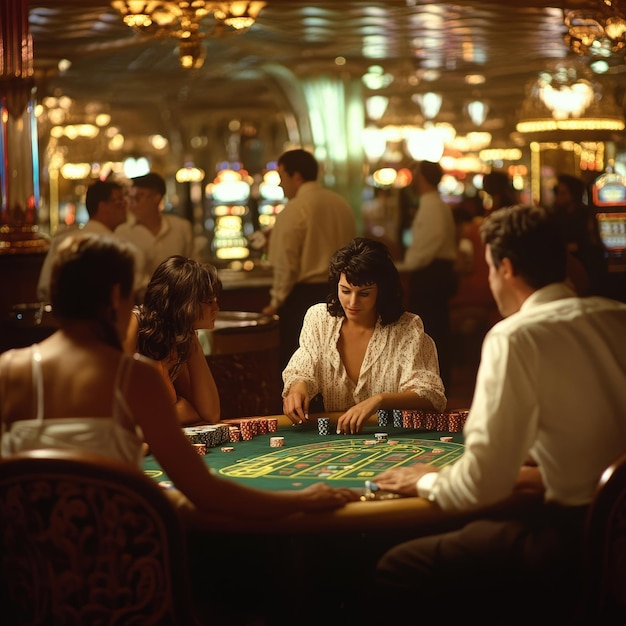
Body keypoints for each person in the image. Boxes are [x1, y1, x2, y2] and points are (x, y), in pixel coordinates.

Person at [370, 204, 626, 625]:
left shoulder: (515, 336)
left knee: (398, 567)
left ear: (505, 268)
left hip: (575, 543)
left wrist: (427, 479)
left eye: (489, 268)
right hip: (619, 537)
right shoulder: (616, 316)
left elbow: (481, 485)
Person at [282, 237, 447, 435]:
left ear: (382, 292)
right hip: (336, 444)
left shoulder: (407, 329)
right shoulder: (319, 319)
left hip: (393, 442)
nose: (352, 302)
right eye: (345, 291)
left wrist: (379, 400)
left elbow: (430, 394)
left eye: (364, 294)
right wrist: (297, 388)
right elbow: (303, 367)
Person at [261, 149, 356, 371]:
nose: (280, 185)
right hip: (342, 294)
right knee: (338, 363)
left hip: (304, 299)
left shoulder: (294, 209)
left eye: (281, 177)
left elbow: (287, 264)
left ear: (297, 176)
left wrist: (275, 302)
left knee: (303, 365)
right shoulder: (341, 204)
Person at [123, 255, 221, 426]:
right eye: (208, 302)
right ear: (184, 303)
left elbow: (209, 413)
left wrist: (192, 338)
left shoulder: (178, 339)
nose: (216, 308)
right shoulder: (133, 323)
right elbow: (111, 400)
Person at [37, 179, 146, 303]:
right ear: (102, 206)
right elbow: (136, 290)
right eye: (119, 201)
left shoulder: (63, 241)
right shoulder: (120, 248)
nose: (124, 206)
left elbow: (45, 289)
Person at [402, 160, 458, 393]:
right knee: (435, 331)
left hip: (431, 277)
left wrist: (403, 266)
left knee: (430, 332)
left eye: (415, 175)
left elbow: (424, 251)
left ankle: (433, 385)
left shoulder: (432, 206)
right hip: (435, 275)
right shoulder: (435, 205)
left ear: (422, 178)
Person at [115, 171, 195, 299]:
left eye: (139, 197)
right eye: (131, 197)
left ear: (156, 198)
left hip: (179, 303)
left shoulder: (181, 228)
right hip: (139, 305)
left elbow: (194, 266)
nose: (133, 203)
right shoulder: (123, 233)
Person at [552, 173, 609, 296]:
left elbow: (590, 244)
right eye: (558, 193)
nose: (558, 197)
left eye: (563, 193)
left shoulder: (585, 215)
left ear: (573, 194)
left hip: (585, 267)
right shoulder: (556, 215)